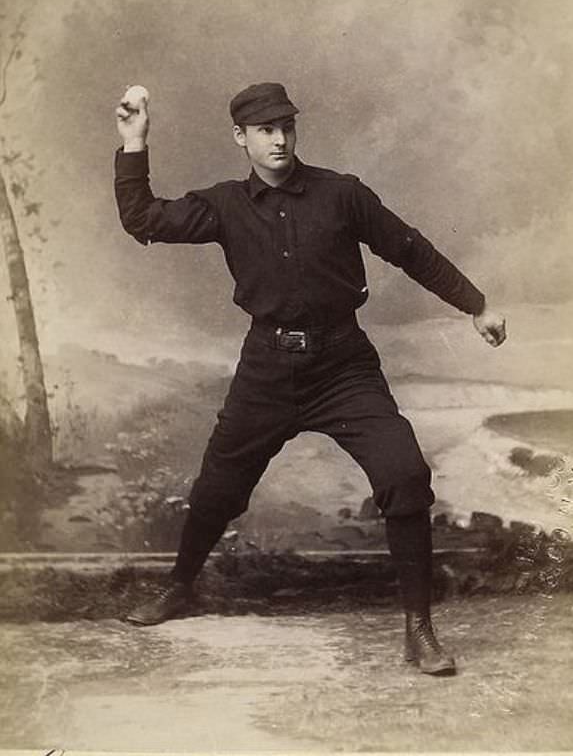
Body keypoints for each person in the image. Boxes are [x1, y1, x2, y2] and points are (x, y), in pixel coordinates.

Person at [114, 82, 506, 676]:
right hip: (266, 371)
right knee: (218, 487)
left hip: (343, 366)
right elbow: (143, 219)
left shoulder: (342, 194)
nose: (279, 139)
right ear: (240, 138)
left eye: (287, 127)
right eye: (265, 129)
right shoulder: (223, 204)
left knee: (404, 474)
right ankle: (179, 586)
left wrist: (475, 304)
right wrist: (134, 142)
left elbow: (410, 249)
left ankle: (419, 628)